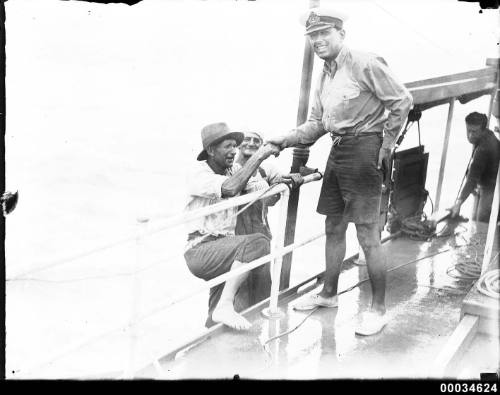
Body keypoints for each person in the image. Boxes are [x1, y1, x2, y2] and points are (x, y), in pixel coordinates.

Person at [267, 7, 413, 336]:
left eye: (324, 34)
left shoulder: (364, 62)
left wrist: (386, 145)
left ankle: (378, 309)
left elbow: (402, 101)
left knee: (367, 235)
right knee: (333, 225)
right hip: (338, 150)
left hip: (364, 151)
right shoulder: (326, 72)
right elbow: (318, 123)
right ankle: (329, 294)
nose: (317, 41)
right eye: (313, 36)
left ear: (341, 34)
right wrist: (284, 139)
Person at [184, 122, 280, 330]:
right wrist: (259, 156)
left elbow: (265, 192)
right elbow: (229, 188)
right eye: (227, 146)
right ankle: (225, 306)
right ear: (210, 150)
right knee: (259, 243)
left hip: (223, 248)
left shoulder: (233, 169)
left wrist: (280, 182)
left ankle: (212, 333)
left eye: (234, 146)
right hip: (200, 249)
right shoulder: (198, 174)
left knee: (216, 311)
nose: (233, 151)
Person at [449, 112, 500, 223]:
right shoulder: (487, 135)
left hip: (492, 187)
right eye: (468, 130)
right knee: (475, 220)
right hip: (486, 183)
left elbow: (472, 178)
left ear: (482, 130)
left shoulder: (484, 148)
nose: (470, 135)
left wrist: (459, 202)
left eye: (474, 132)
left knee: (481, 222)